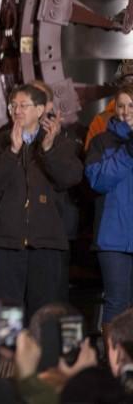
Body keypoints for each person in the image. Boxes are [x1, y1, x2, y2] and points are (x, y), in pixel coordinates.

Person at [0, 84, 82, 315]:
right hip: (6, 240)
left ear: (41, 109)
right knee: (8, 312)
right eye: (13, 105)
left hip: (46, 241)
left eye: (24, 105)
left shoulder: (58, 141)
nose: (17, 110)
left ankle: (42, 352)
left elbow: (70, 178)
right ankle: (9, 352)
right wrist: (12, 152)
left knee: (44, 312)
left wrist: (49, 150)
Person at [85, 84, 133, 324]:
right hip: (113, 236)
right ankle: (114, 359)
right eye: (121, 106)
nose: (126, 111)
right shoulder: (101, 142)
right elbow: (98, 180)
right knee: (117, 302)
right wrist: (128, 153)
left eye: (131, 105)